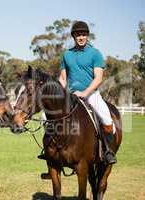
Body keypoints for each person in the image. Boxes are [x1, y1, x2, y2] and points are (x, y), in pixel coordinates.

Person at [58, 21, 117, 164]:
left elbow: (98, 78)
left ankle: (108, 151)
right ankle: (50, 151)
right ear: (73, 36)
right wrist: (60, 93)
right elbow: (63, 78)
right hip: (71, 96)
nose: (81, 37)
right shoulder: (66, 55)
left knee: (106, 118)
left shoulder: (95, 54)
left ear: (87, 36)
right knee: (46, 115)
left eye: (83, 34)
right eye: (78, 34)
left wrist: (85, 93)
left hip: (91, 94)